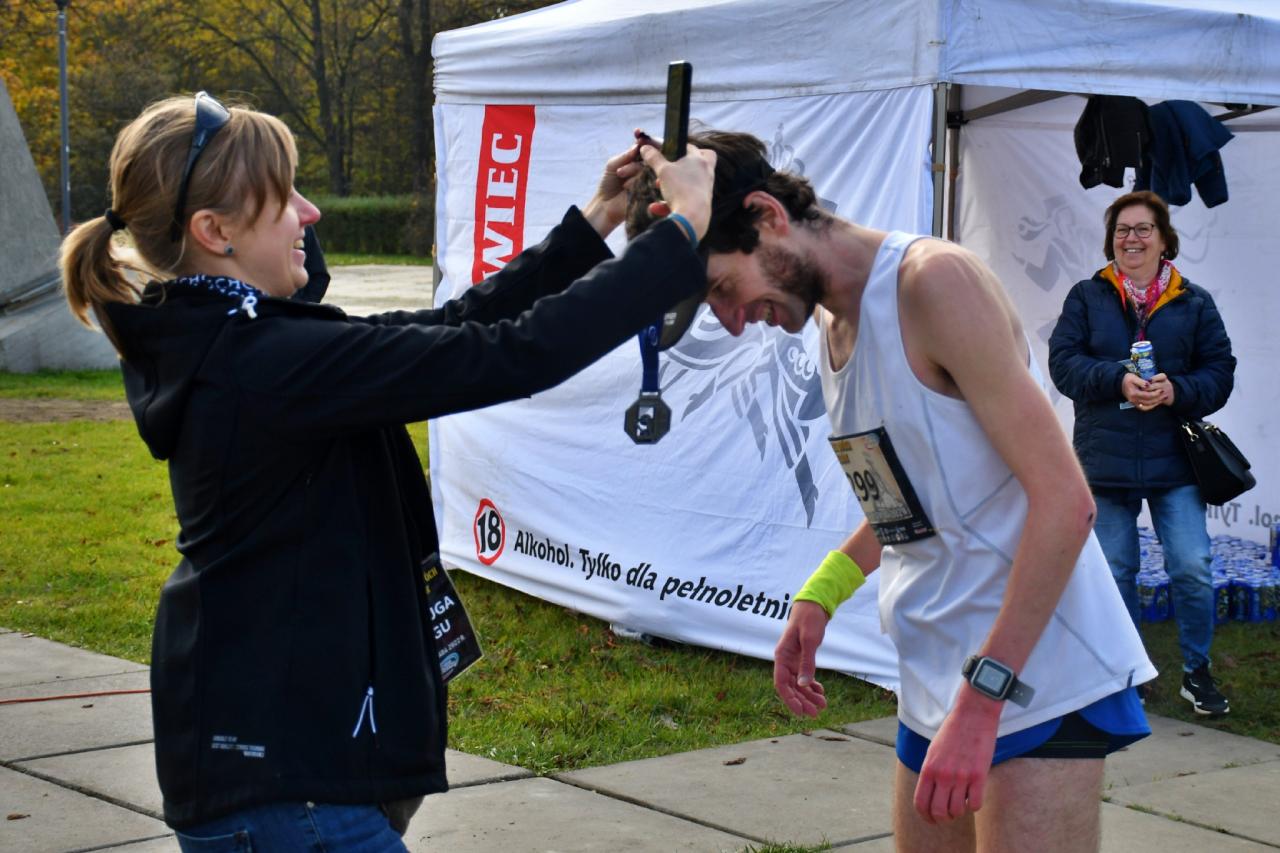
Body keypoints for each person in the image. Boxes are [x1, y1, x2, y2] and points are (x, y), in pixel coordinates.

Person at [60, 91, 715, 850]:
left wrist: (595, 221)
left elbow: (453, 327)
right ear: (215, 232)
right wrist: (681, 237)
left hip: (277, 772)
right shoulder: (262, 365)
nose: (309, 213)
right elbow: (512, 354)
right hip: (288, 789)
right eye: (285, 198)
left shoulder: (234, 345)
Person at [626, 131, 1156, 853]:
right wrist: (822, 591)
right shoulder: (830, 321)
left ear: (766, 216)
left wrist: (983, 697)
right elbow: (912, 497)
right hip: (937, 670)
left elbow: (1067, 501)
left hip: (1030, 670)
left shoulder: (931, 282)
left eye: (722, 288)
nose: (730, 318)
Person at [1048, 190, 1236, 716]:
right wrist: (1117, 379)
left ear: (1163, 239)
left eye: (1142, 229)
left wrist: (1177, 390)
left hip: (1175, 460)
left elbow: (1220, 372)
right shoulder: (1087, 296)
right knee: (1114, 569)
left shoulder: (1193, 301)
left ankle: (1196, 673)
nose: (1131, 238)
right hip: (1104, 461)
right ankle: (1126, 673)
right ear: (1111, 240)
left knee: (1193, 566)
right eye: (1122, 230)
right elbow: (1063, 364)